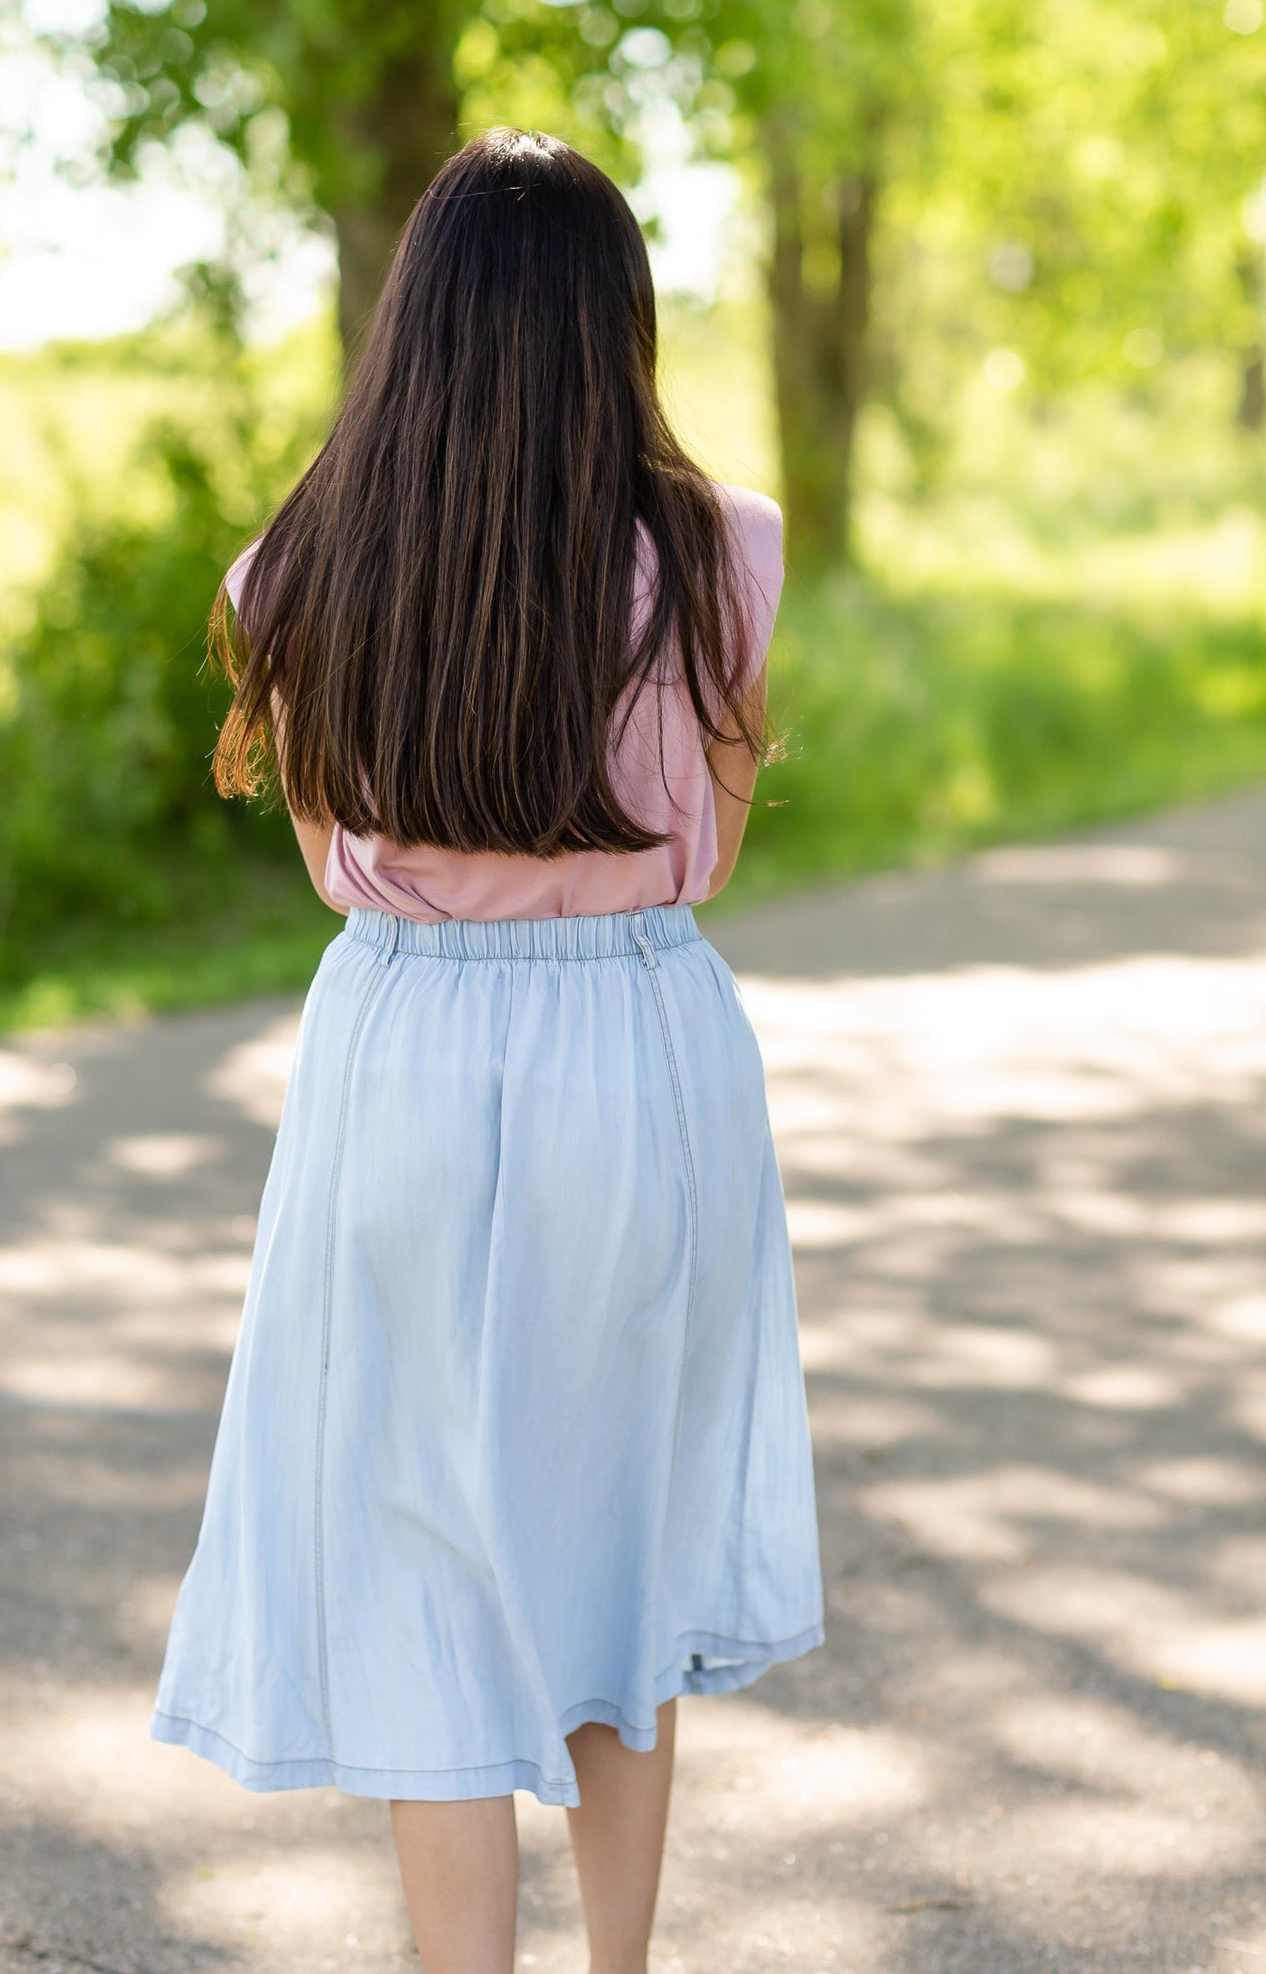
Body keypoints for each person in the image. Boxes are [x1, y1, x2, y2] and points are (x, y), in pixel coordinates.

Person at [148, 125, 825, 1974]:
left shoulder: (296, 565)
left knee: (422, 1546)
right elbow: (719, 837)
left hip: (405, 1057)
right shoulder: (721, 551)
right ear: (619, 330)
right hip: (642, 1046)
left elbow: (329, 869)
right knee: (617, 1536)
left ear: (413, 330)